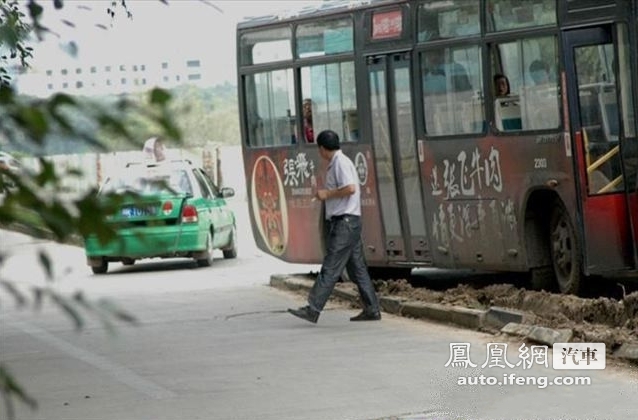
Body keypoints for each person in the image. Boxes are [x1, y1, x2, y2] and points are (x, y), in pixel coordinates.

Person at [288, 129, 381, 324]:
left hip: (345, 223)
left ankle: (313, 309)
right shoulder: (338, 162)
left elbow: (350, 188)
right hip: (350, 222)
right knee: (358, 269)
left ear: (322, 148)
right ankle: (372, 309)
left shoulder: (340, 163)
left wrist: (326, 194)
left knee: (330, 266)